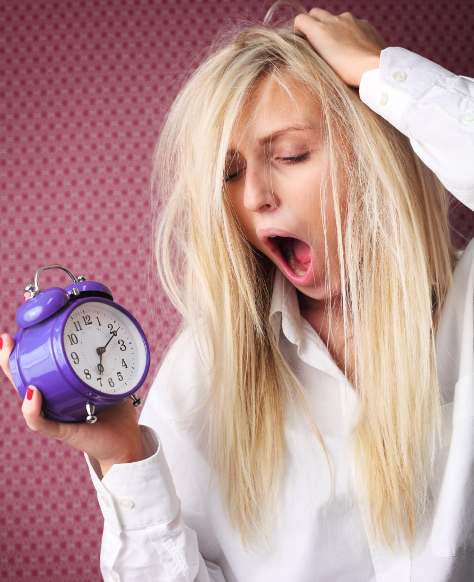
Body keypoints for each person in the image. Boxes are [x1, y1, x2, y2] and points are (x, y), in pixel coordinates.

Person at [1, 4, 474, 581]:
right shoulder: (202, 376)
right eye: (229, 172)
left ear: (376, 147)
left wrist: (383, 74)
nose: (253, 196)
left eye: (291, 154)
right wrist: (123, 456)